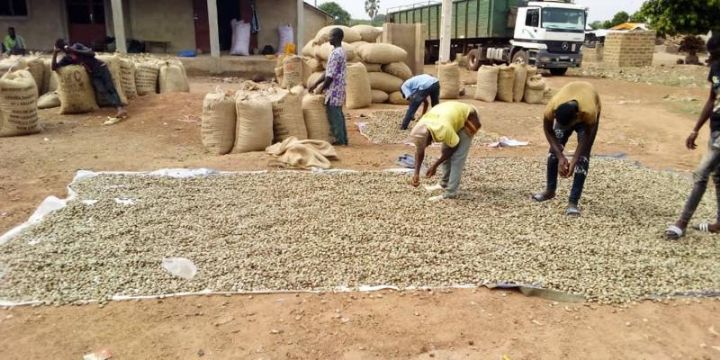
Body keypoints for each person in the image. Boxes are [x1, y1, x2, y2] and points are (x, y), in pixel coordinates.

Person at [665, 35, 720, 240]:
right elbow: (712, 99)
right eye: (712, 55)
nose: (712, 59)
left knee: (701, 172)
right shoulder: (715, 69)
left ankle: (682, 222)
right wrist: (696, 128)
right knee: (718, 176)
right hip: (716, 129)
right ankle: (719, 223)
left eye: (716, 54)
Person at [532, 81, 601, 217]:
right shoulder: (552, 107)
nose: (563, 128)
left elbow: (587, 137)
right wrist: (560, 156)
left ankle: (573, 202)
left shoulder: (589, 112)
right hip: (568, 109)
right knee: (553, 151)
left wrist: (575, 159)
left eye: (567, 125)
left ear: (576, 117)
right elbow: (547, 130)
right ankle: (550, 190)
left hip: (587, 117)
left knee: (583, 158)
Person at [409, 101, 481, 201]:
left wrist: (435, 165)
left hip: (469, 118)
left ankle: (451, 192)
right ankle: (444, 183)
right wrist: (416, 173)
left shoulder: (443, 129)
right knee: (445, 152)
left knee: (457, 157)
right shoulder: (420, 127)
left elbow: (453, 147)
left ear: (429, 138)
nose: (428, 145)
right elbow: (419, 150)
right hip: (452, 116)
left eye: (427, 143)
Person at [52, 40, 127, 119]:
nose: (66, 50)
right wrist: (55, 53)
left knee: (110, 88)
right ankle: (118, 107)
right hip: (93, 74)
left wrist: (74, 50)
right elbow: (54, 67)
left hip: (101, 67)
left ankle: (120, 109)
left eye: (65, 47)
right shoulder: (67, 59)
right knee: (102, 90)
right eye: (63, 49)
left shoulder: (77, 46)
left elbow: (92, 53)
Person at [308, 28, 348, 146]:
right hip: (338, 88)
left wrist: (322, 87)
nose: (329, 38)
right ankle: (343, 139)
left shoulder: (336, 54)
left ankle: (340, 140)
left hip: (335, 89)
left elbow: (330, 76)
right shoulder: (339, 51)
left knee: (334, 115)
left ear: (336, 37)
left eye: (331, 36)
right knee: (339, 114)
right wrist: (316, 83)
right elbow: (327, 71)